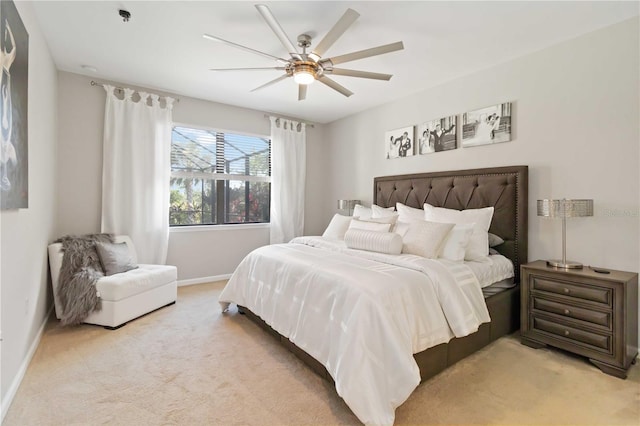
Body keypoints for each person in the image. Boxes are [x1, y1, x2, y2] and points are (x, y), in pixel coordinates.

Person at [0, 22, 17, 191]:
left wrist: (8, 27)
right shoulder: (5, 57)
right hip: (5, 88)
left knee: (6, 123)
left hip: (5, 88)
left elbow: (14, 47)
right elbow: (14, 47)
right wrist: (8, 27)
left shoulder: (6, 57)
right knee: (6, 124)